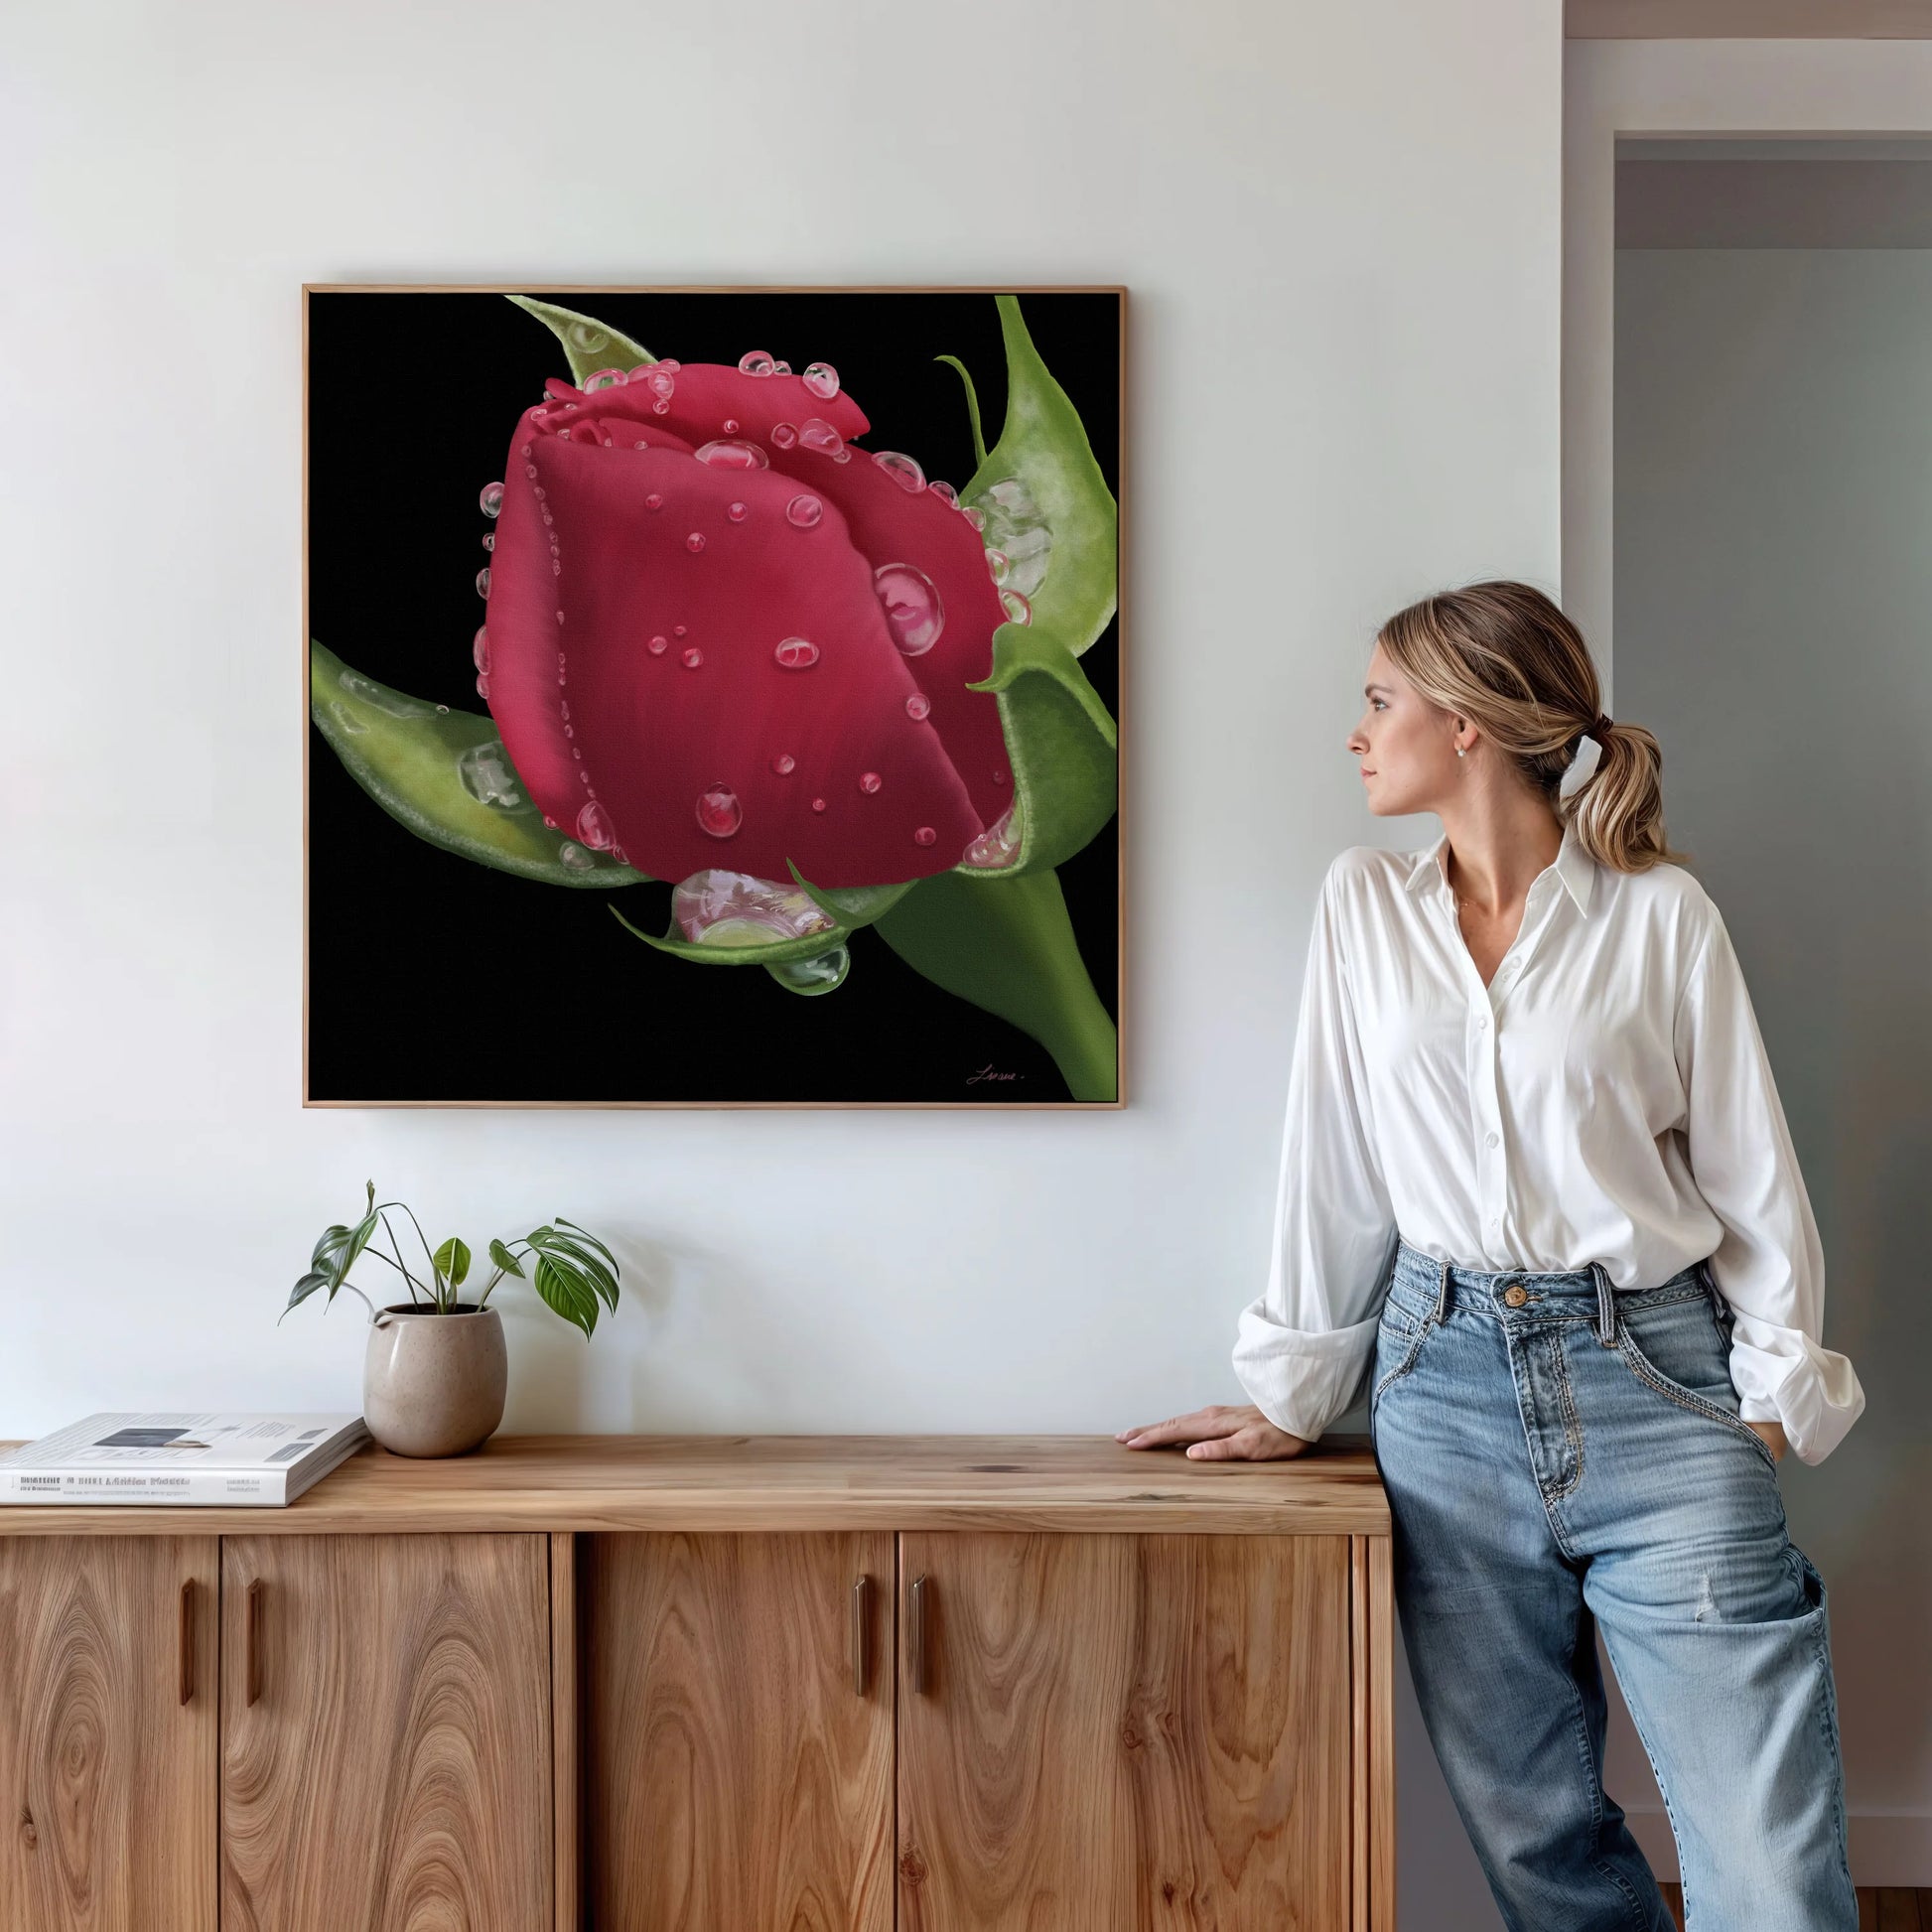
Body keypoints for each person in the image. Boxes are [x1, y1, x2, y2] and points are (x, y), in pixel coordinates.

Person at [1117, 581, 1863, 1931]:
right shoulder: (1362, 905)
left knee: (1767, 1864)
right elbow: (1334, 1161)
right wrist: (1294, 1388)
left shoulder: (1660, 915)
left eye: (1378, 701)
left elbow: (1750, 1171)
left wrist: (1765, 1402)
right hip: (1442, 1392)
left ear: (1465, 724)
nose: (1356, 733)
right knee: (1536, 1843)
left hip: (1658, 1380)